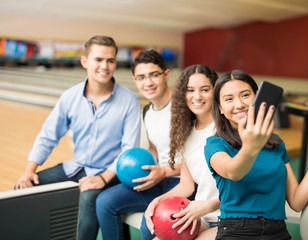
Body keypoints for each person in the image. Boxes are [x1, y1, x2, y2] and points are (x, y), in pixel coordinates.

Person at [15, 35, 141, 240]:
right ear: (85, 62)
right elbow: (48, 135)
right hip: (77, 167)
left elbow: (128, 151)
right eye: (98, 60)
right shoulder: (70, 97)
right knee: (23, 189)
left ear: (116, 63)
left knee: (89, 198)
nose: (105, 66)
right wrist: (29, 170)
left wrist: (102, 178)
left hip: (110, 173)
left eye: (110, 60)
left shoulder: (129, 101)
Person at [204, 69, 308, 240]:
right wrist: (251, 147)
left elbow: (296, 202)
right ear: (220, 108)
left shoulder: (275, 142)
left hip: (278, 231)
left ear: (258, 98)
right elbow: (233, 172)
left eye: (245, 95)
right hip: (237, 231)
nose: (239, 104)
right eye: (229, 99)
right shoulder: (215, 144)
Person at [96, 49, 182, 240]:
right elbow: (155, 150)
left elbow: (199, 158)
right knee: (104, 202)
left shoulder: (184, 106)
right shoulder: (148, 111)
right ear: (135, 80)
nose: (148, 82)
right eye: (141, 77)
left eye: (154, 75)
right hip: (159, 179)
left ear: (166, 75)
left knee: (149, 223)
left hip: (183, 183)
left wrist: (165, 172)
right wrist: (135, 161)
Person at [144, 64, 221, 240]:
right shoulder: (186, 133)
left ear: (215, 92)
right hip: (203, 217)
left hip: (231, 217)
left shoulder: (224, 129)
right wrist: (157, 201)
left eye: (205, 89)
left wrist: (207, 206)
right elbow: (186, 186)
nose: (197, 96)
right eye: (190, 90)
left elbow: (242, 188)